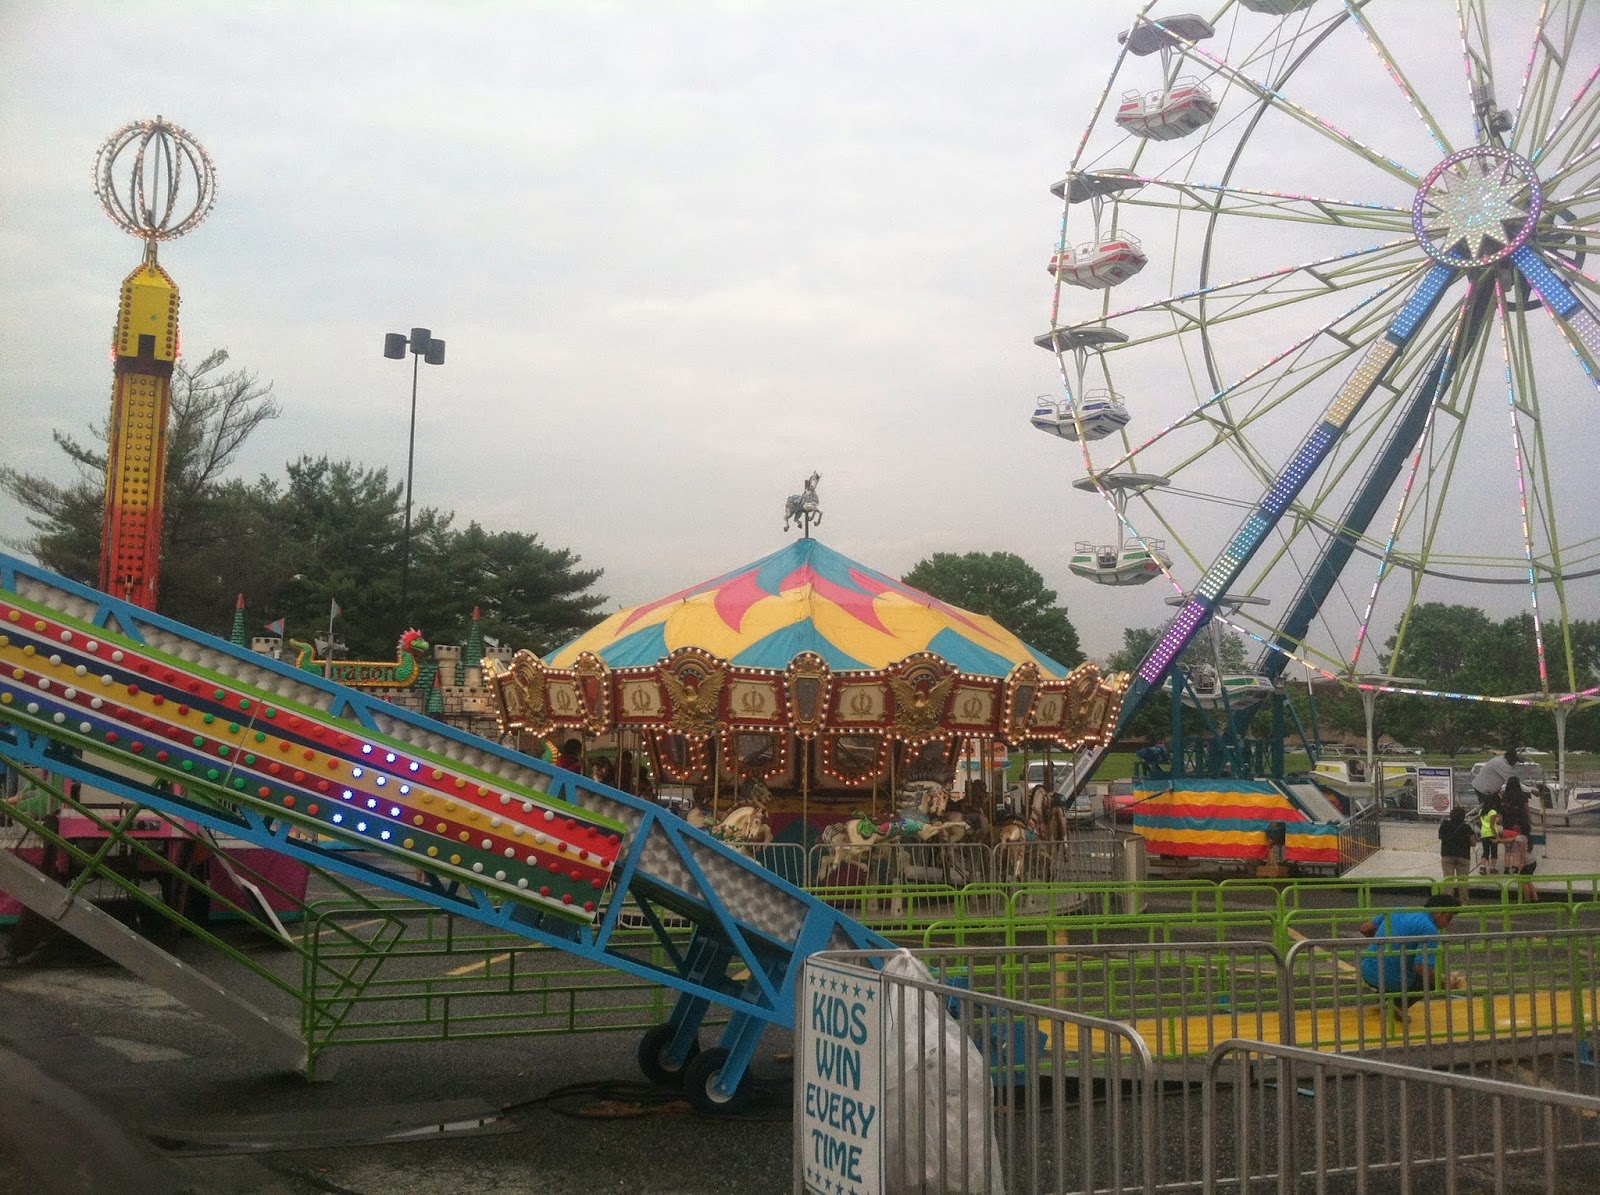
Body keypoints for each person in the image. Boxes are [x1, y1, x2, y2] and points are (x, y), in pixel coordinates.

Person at [1357, 895, 1461, 1022]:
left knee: (1395, 967)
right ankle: (1397, 1004)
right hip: (1390, 978)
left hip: (1366, 969)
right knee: (1428, 979)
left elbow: (1365, 928)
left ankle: (1385, 1000)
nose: (1448, 925)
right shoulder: (1429, 929)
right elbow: (1421, 968)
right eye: (1448, 919)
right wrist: (1443, 983)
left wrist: (1386, 943)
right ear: (1438, 913)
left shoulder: (1399, 910)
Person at [1437, 806, 1474, 902]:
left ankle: (1448, 902)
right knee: (1463, 881)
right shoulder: (1466, 827)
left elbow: (1440, 836)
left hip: (1447, 855)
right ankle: (1464, 902)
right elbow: (1473, 843)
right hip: (1463, 856)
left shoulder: (1444, 824)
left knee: (1448, 880)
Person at [1478, 803, 1502, 873]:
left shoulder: (1481, 811)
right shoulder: (1493, 812)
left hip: (1484, 833)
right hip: (1492, 833)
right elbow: (1492, 825)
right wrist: (1497, 837)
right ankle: (1492, 868)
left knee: (1485, 851)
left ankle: (1482, 867)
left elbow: (1480, 823)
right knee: (1494, 852)